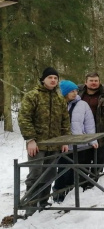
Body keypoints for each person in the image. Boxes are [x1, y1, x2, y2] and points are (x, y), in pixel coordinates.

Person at [18, 67, 71, 213]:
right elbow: (24, 118)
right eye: (50, 78)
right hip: (37, 144)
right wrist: (30, 139)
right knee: (35, 174)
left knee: (50, 174)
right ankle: (30, 205)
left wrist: (64, 140)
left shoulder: (59, 98)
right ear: (43, 79)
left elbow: (65, 121)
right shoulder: (32, 95)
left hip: (54, 144)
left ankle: (43, 202)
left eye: (55, 78)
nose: (53, 80)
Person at [52, 80, 97, 203]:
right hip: (63, 144)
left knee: (78, 169)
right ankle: (59, 192)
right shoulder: (57, 104)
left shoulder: (83, 105)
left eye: (76, 90)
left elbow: (89, 123)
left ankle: (74, 193)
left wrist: (92, 139)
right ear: (64, 92)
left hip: (79, 143)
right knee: (62, 169)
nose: (74, 93)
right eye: (71, 91)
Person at [79, 72, 104, 181]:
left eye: (96, 81)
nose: (94, 83)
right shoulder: (78, 95)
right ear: (85, 82)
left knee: (99, 159)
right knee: (83, 159)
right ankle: (82, 181)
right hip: (82, 134)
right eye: (91, 81)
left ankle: (93, 181)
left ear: (99, 82)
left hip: (101, 133)